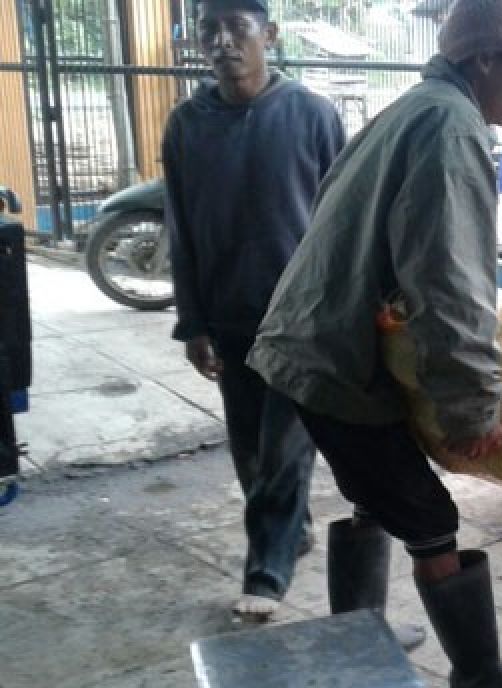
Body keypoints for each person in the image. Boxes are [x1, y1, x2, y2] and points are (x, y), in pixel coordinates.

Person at [247, 0, 502, 688]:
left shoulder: (419, 107)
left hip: (312, 342)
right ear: (486, 58)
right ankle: (479, 675)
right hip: (333, 362)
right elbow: (450, 282)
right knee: (429, 516)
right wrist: (472, 403)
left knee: (376, 490)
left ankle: (362, 634)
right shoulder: (451, 128)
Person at [163, 0, 342, 619]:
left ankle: (266, 573)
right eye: (210, 29)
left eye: (237, 28)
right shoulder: (187, 125)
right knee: (248, 449)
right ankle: (293, 530)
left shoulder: (313, 116)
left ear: (268, 34)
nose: (222, 41)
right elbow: (181, 231)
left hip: (300, 318)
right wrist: (192, 323)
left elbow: (341, 221)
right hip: (228, 312)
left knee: (286, 446)